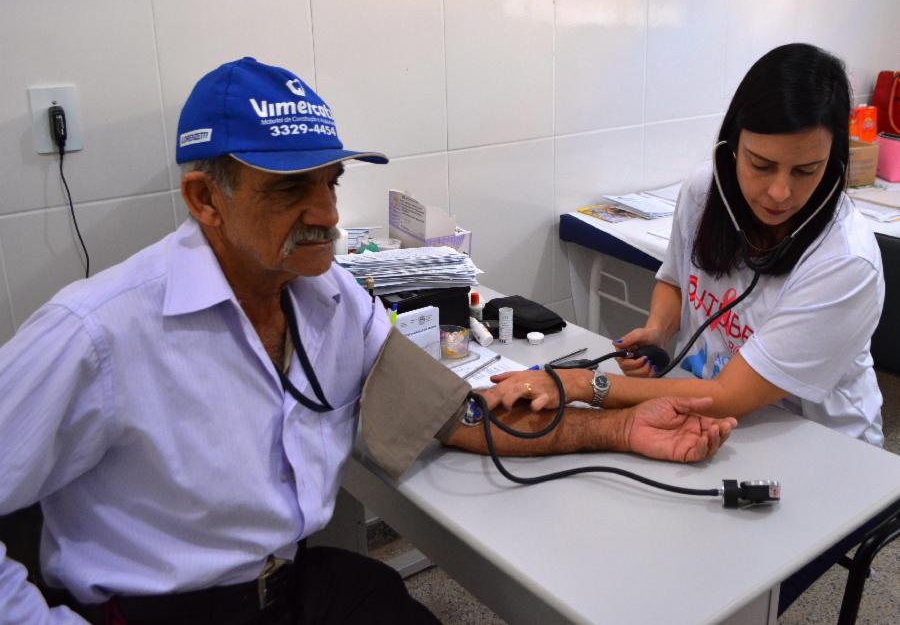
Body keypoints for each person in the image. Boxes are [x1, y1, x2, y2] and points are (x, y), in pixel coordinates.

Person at [0, 57, 735, 625]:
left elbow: (453, 413)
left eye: (331, 181)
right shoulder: (97, 333)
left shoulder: (328, 296)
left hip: (292, 585)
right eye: (291, 190)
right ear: (205, 200)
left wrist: (620, 426)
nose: (325, 212)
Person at [484, 43, 885, 613]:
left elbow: (728, 396)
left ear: (836, 162)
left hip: (819, 456)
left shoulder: (845, 262)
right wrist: (658, 327)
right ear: (732, 147)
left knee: (716, 600)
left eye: (807, 171)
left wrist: (573, 383)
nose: (780, 192)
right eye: (761, 164)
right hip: (709, 418)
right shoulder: (705, 190)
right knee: (620, 554)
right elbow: (675, 278)